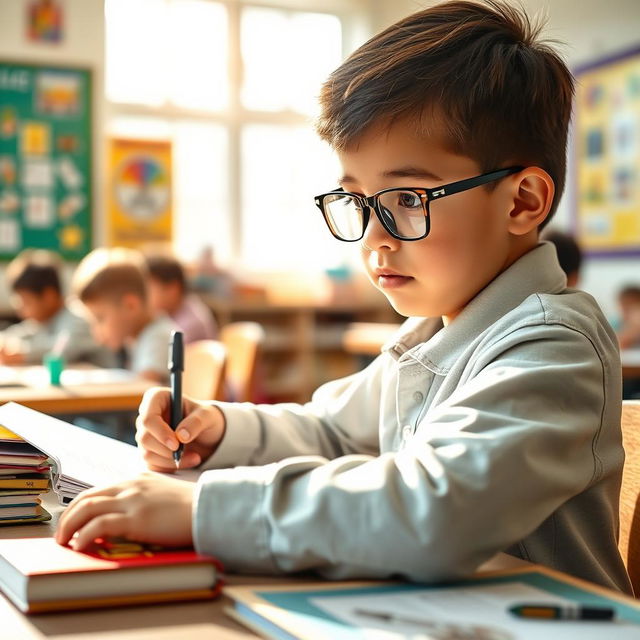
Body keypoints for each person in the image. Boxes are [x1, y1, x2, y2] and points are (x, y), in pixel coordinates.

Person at [56, 1, 632, 594]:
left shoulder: (554, 346)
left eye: (408, 199)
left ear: (522, 202)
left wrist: (205, 511)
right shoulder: (432, 337)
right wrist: (221, 429)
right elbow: (331, 432)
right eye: (358, 200)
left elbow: (433, 510)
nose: (375, 238)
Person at [70, 247, 176, 383]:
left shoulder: (159, 337)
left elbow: (139, 391)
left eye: (100, 319)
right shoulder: (137, 339)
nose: (97, 334)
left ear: (130, 306)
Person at [0, 249, 113, 367]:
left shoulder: (80, 316)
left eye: (26, 302)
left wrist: (20, 354)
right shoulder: (44, 321)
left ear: (49, 296)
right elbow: (19, 333)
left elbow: (62, 349)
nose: (21, 310)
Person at [145, 254, 218, 344]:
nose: (144, 297)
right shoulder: (169, 314)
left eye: (148, 290)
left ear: (173, 289)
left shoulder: (192, 323)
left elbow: (167, 350)